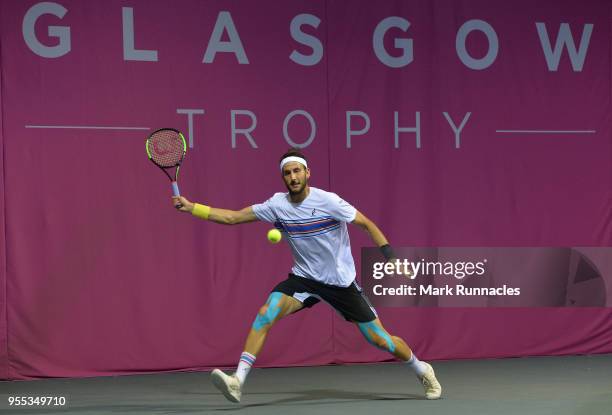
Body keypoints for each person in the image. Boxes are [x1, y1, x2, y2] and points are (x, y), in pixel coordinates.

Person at [172, 148, 442, 403]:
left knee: (380, 340)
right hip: (304, 278)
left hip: (340, 283)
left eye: (297, 171)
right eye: (287, 173)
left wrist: (390, 257)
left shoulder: (329, 201)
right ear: (283, 178)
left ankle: (422, 370)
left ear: (307, 173)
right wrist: (193, 207)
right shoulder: (277, 205)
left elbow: (366, 224)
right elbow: (233, 217)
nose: (293, 177)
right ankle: (237, 381)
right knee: (267, 312)